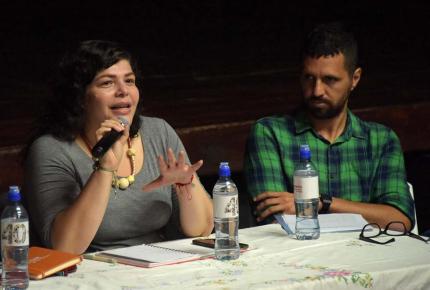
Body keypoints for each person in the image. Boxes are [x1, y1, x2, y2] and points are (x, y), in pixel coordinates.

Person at [22, 40, 214, 254]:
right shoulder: (52, 149)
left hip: (158, 265)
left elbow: (202, 229)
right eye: (107, 83)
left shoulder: (158, 131)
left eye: (129, 81)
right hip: (88, 274)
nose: (123, 91)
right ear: (80, 96)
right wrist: (105, 168)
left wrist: (185, 183)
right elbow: (65, 247)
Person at [244, 22, 415, 231]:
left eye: (330, 80)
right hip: (298, 258)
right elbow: (276, 221)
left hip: (370, 257)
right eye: (309, 78)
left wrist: (321, 202)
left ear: (355, 79)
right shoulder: (270, 133)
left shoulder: (381, 139)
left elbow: (400, 221)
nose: (317, 91)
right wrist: (362, 214)